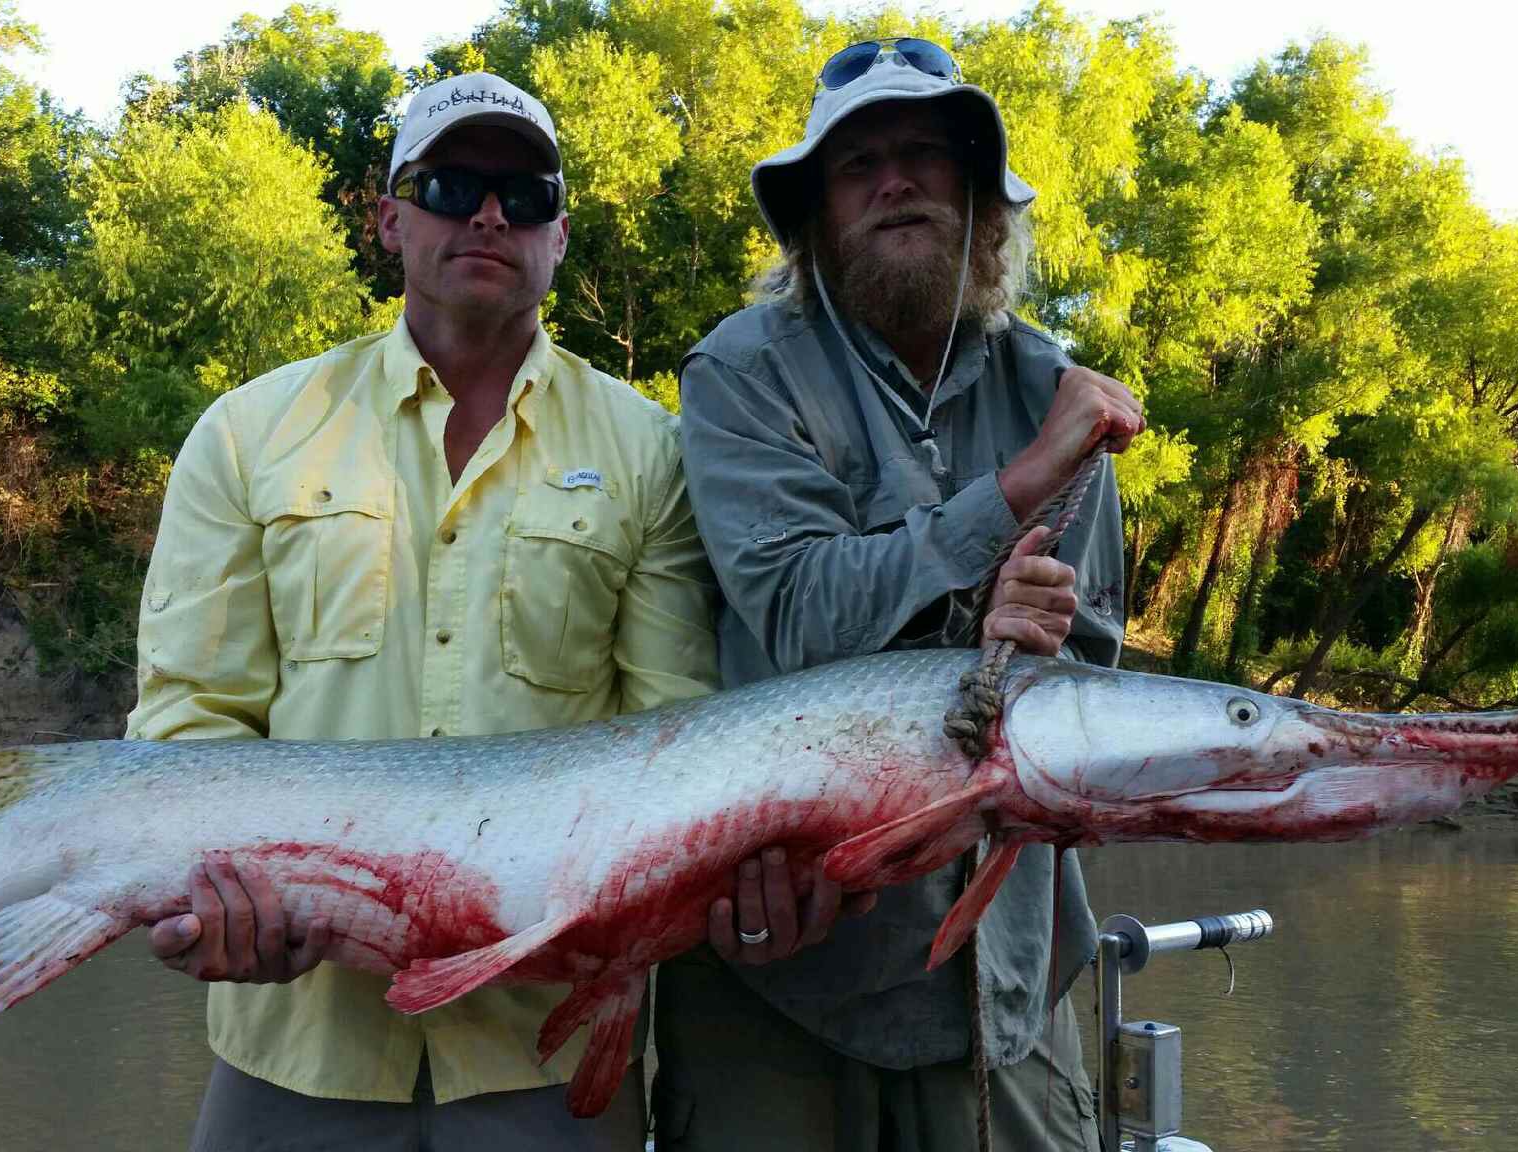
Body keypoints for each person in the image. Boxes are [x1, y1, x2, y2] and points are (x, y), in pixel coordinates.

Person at [126, 71, 719, 1151]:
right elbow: (189, 721)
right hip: (294, 1043)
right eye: (451, 185)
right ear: (390, 219)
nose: (488, 214)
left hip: (541, 1049)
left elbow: (672, 746)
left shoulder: (650, 451)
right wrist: (209, 891)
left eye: (524, 195)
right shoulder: (247, 430)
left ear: (559, 237)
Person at [655, 37, 1145, 1152]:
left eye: (926, 153)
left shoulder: (1055, 389)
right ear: (814, 216)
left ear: (980, 201)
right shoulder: (737, 373)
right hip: (774, 972)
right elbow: (794, 611)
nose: (894, 181)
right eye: (856, 161)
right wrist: (1011, 500)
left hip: (1002, 986)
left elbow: (1086, 691)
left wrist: (1032, 649)